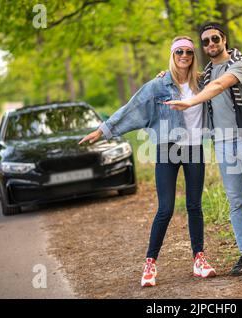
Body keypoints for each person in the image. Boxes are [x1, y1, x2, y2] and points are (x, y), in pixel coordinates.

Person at [78, 36, 216, 287]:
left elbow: (224, 82)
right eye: (179, 52)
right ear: (172, 55)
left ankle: (199, 259)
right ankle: (150, 263)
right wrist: (103, 130)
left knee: (194, 206)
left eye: (188, 52)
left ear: (193, 56)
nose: (184, 56)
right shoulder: (158, 85)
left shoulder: (202, 82)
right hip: (167, 149)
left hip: (195, 149)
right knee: (165, 209)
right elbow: (132, 108)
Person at [164, 23, 242, 275]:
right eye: (206, 41)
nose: (210, 44)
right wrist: (165, 74)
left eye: (215, 39)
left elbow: (219, 86)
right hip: (222, 143)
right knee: (235, 202)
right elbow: (186, 77)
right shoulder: (206, 72)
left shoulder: (240, 64)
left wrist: (189, 102)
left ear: (224, 40)